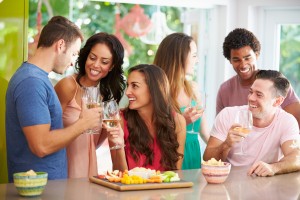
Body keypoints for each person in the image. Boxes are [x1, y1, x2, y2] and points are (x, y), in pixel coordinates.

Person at [5, 16, 102, 182]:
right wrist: (83, 124)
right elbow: (41, 146)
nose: (73, 62)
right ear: (60, 45)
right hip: (36, 191)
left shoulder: (38, 78)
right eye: (73, 54)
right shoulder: (31, 82)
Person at [54, 32, 126, 178]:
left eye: (104, 62)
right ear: (86, 56)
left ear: (111, 66)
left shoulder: (105, 97)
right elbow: (49, 133)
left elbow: (93, 143)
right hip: (63, 169)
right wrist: (81, 124)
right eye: (92, 58)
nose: (95, 65)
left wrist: (109, 132)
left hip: (88, 171)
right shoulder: (68, 86)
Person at [204, 70, 300, 177]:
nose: (251, 98)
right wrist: (226, 144)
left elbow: (296, 157)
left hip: (265, 185)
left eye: (259, 95)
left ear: (277, 101)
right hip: (229, 184)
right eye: (251, 92)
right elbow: (207, 159)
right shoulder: (228, 115)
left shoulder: (286, 121)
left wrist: (274, 168)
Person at [106, 64, 186, 171]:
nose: (127, 92)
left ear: (153, 89)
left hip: (165, 187)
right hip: (131, 187)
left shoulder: (178, 121)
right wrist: (119, 146)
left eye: (134, 86)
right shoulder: (119, 121)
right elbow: (119, 176)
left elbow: (176, 173)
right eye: (128, 85)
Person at [216, 28, 300, 127]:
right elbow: (221, 129)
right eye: (236, 60)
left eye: (247, 58)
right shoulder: (225, 90)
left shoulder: (276, 82)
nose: (243, 65)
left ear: (256, 55)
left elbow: (297, 121)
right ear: (230, 60)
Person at [153, 32, 209, 169]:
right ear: (179, 57)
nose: (197, 61)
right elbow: (150, 134)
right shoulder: (155, 91)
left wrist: (227, 148)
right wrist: (181, 122)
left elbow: (205, 133)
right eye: (194, 55)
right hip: (167, 158)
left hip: (193, 158)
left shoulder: (194, 89)